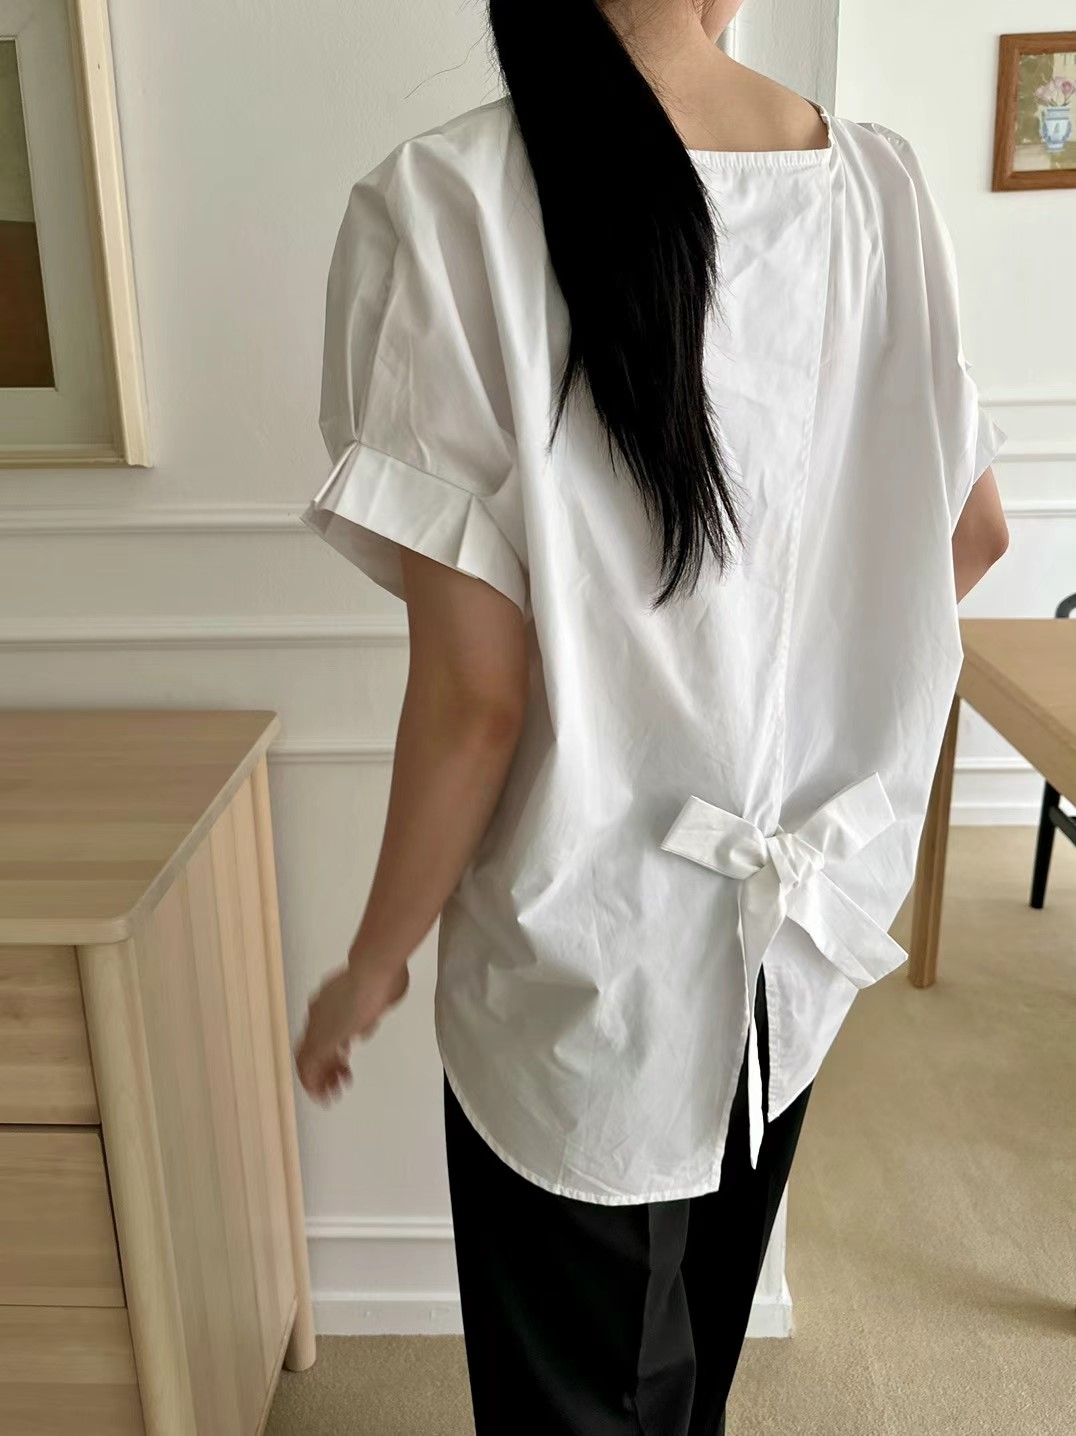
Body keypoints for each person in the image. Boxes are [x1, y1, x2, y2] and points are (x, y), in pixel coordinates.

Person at [294, 1, 1010, 1430]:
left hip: (580, 962)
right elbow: (973, 536)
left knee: (582, 1390)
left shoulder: (446, 204)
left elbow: (476, 701)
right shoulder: (877, 190)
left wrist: (371, 962)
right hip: (787, 940)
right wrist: (805, 701)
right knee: (688, 1361)